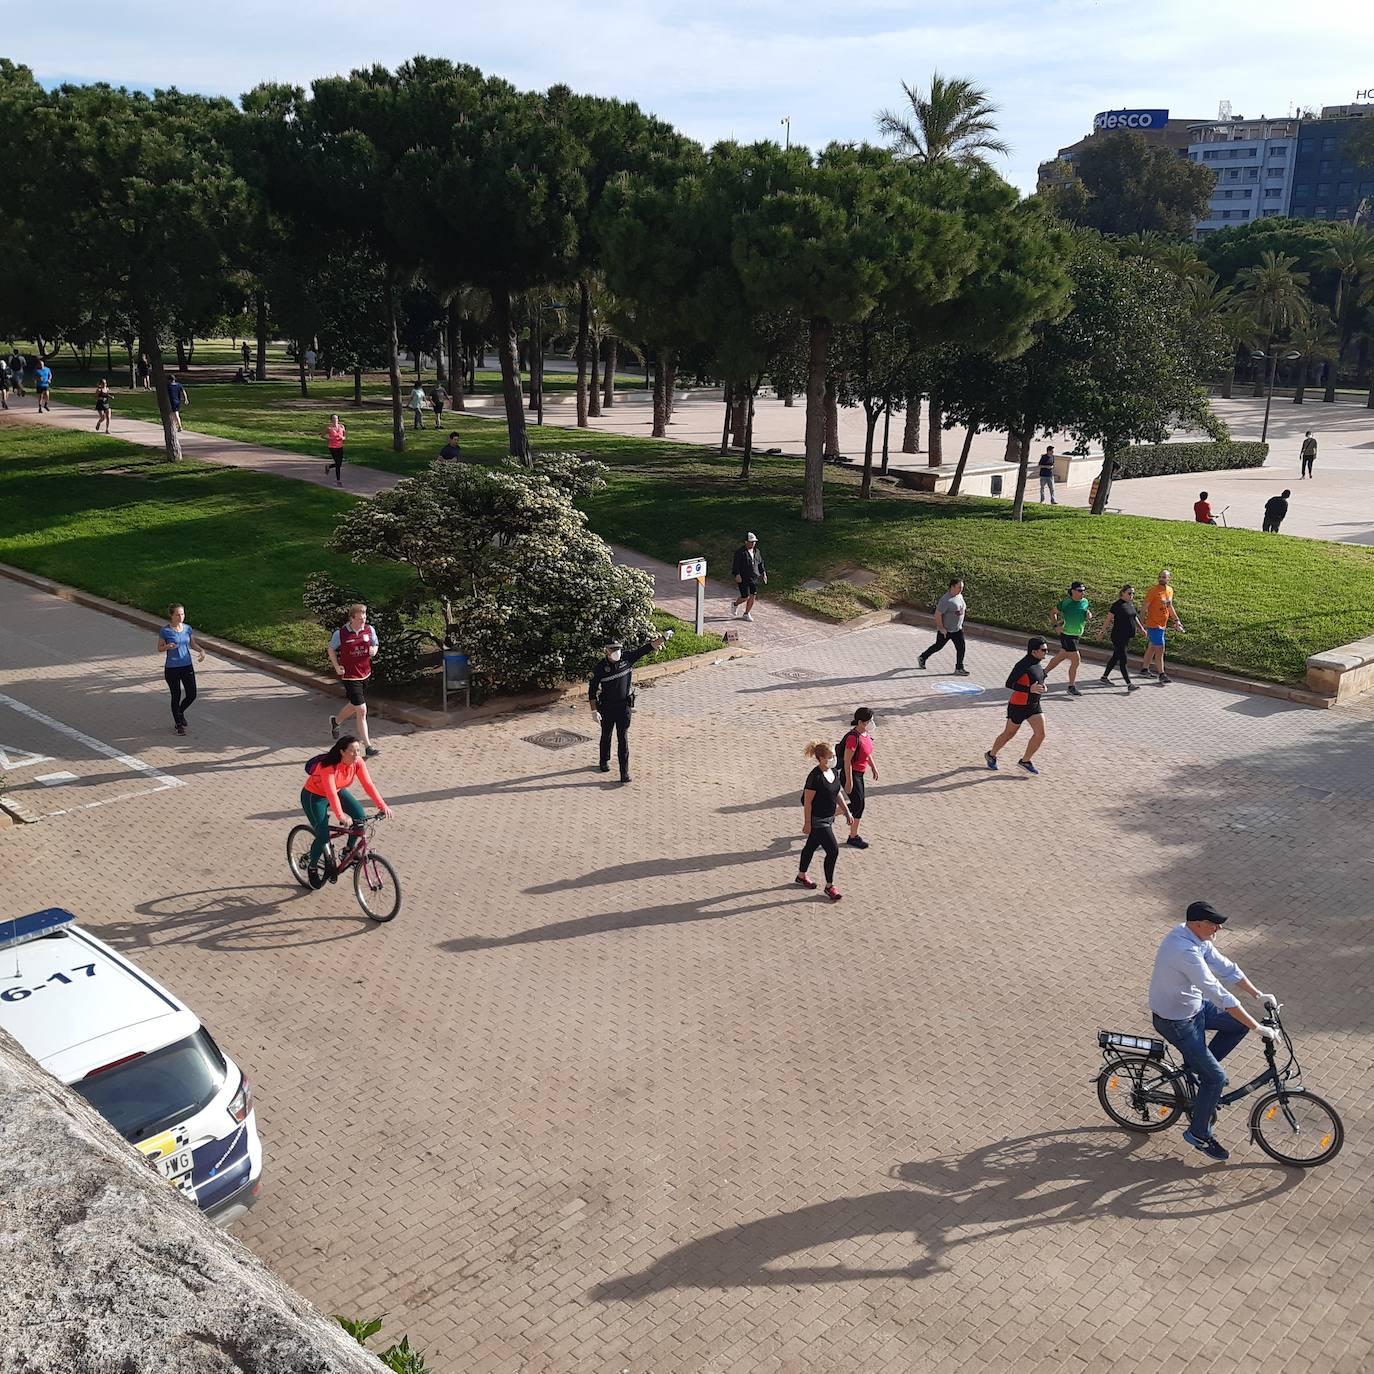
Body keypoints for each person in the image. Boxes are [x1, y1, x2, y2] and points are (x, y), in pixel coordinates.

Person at [1148, 900, 1281, 1162]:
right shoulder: (1184, 950)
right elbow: (1219, 994)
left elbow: (1226, 968)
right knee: (1216, 1078)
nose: (1218, 928)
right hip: (1177, 1021)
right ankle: (1198, 1134)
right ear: (1198, 924)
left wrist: (1258, 995)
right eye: (1214, 924)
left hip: (1194, 1008)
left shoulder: (1194, 936)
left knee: (1235, 1027)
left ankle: (1201, 1071)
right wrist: (1257, 1028)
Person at [300, 735, 392, 887]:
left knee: (360, 817)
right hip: (314, 796)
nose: (357, 754)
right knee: (323, 836)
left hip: (337, 791)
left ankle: (348, 851)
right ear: (342, 752)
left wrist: (382, 806)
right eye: (352, 751)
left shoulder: (357, 762)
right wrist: (341, 816)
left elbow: (368, 785)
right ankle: (312, 866)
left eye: (358, 750)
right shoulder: (327, 766)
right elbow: (330, 792)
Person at [588, 634, 665, 784]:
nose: (617, 651)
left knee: (622, 738)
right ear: (606, 651)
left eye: (618, 648)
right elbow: (591, 691)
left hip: (623, 706)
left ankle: (624, 773)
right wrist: (593, 710)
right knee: (606, 735)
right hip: (607, 707)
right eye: (613, 649)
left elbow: (646, 649)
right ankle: (604, 760)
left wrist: (663, 638)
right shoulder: (599, 668)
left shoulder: (627, 659)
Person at [796, 739, 854, 903]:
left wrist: (846, 812)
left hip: (829, 819)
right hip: (817, 821)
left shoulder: (833, 772)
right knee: (833, 850)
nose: (834, 759)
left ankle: (801, 876)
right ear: (821, 758)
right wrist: (807, 823)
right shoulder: (814, 777)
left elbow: (837, 793)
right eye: (830, 756)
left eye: (834, 755)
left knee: (811, 846)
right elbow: (807, 802)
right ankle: (829, 886)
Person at [986, 637, 1049, 775]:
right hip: (1018, 705)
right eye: (1043, 650)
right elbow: (1009, 684)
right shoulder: (1022, 665)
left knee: (1041, 734)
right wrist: (1029, 690)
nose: (1046, 652)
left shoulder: (1038, 664)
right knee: (1009, 734)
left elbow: (1038, 679)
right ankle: (991, 754)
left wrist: (1043, 686)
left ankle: (1025, 761)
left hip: (1034, 706)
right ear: (1034, 651)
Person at [328, 603, 381, 758]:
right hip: (350, 676)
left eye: (364, 618)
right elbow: (331, 649)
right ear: (351, 619)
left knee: (354, 704)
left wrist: (373, 651)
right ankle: (368, 746)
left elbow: (375, 644)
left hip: (365, 674)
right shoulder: (341, 633)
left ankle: (336, 721)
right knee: (362, 709)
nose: (362, 621)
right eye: (359, 619)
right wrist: (337, 666)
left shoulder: (369, 629)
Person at [157, 602, 206, 736]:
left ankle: (179, 711)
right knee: (176, 695)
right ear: (171, 616)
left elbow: (193, 644)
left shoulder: (187, 629)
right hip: (172, 668)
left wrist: (201, 651)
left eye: (182, 614)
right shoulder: (165, 631)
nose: (181, 617)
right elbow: (159, 648)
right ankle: (178, 724)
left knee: (192, 694)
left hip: (186, 665)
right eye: (178, 614)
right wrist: (168, 647)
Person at [839, 707, 878, 849]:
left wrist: (873, 767)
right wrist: (849, 781)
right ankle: (853, 837)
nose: (872, 723)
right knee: (859, 806)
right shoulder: (852, 738)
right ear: (861, 722)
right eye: (869, 721)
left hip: (860, 774)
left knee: (857, 805)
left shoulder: (866, 734)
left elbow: (867, 753)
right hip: (851, 774)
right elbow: (847, 761)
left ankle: (827, 816)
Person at [1045, 581, 1092, 696]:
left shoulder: (1085, 602)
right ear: (1072, 591)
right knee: (1076, 660)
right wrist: (1056, 626)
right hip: (1067, 635)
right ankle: (1071, 687)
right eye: (1080, 591)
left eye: (1083, 590)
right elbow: (1053, 612)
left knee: (1061, 657)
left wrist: (1088, 614)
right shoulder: (1066, 603)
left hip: (1076, 635)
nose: (1082, 593)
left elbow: (1085, 613)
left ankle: (1042, 673)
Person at [917, 577, 969, 675]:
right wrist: (941, 628)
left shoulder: (959, 596)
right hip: (946, 630)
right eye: (959, 587)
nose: (961, 589)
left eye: (962, 587)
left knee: (961, 648)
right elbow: (937, 615)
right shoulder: (946, 600)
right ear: (952, 587)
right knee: (938, 646)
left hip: (957, 629)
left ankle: (959, 668)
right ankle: (923, 657)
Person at [1141, 569, 1183, 684]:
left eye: (1164, 577)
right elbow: (1144, 608)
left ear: (1169, 579)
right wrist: (1141, 624)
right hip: (1153, 624)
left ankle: (1144, 669)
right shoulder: (1153, 591)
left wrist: (1176, 620)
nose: (1161, 579)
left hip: (1162, 624)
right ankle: (1162, 674)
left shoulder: (1169, 590)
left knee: (1152, 647)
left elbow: (1169, 607)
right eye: (1160, 576)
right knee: (1160, 648)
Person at [1099, 585, 1141, 692]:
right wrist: (1101, 632)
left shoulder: (1130, 604)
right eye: (1129, 593)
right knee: (1123, 659)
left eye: (1133, 593)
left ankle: (1104, 677)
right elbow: (1108, 620)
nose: (1132, 595)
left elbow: (1134, 617)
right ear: (1122, 593)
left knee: (1116, 656)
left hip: (1127, 636)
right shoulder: (1117, 605)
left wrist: (1141, 628)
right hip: (1118, 636)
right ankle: (1129, 684)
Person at [731, 532, 767, 621]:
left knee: (753, 595)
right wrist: (737, 574)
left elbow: (760, 563)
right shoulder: (740, 552)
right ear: (746, 542)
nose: (753, 543)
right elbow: (736, 565)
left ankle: (746, 613)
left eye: (754, 542)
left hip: (754, 577)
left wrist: (763, 574)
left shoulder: (757, 551)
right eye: (751, 542)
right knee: (745, 596)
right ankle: (735, 604)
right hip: (743, 577)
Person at [324, 414, 346, 486]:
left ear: (338, 419)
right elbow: (322, 435)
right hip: (332, 447)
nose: (335, 420)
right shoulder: (329, 428)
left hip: (340, 446)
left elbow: (344, 436)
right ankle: (338, 481)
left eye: (336, 418)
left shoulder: (342, 426)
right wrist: (329, 438)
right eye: (333, 419)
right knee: (338, 464)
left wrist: (343, 438)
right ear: (331, 420)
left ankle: (329, 466)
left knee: (339, 463)